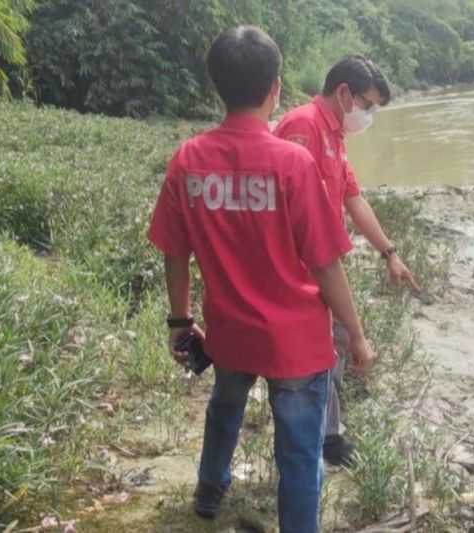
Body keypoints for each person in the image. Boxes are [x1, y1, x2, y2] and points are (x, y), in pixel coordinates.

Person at [146, 26, 374, 533]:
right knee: (298, 456)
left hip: (230, 334)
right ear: (275, 87)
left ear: (217, 87)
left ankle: (209, 491)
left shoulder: (189, 160)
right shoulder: (293, 163)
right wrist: (356, 334)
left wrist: (179, 323)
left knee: (224, 411)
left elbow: (174, 254)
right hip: (296, 345)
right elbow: (326, 264)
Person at [274, 55, 419, 466]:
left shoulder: (335, 133)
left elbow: (353, 198)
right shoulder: (303, 126)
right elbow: (288, 212)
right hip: (303, 269)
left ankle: (328, 432)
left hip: (324, 263)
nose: (369, 115)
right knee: (324, 348)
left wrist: (390, 253)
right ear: (343, 93)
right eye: (368, 105)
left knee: (333, 344)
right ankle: (321, 439)